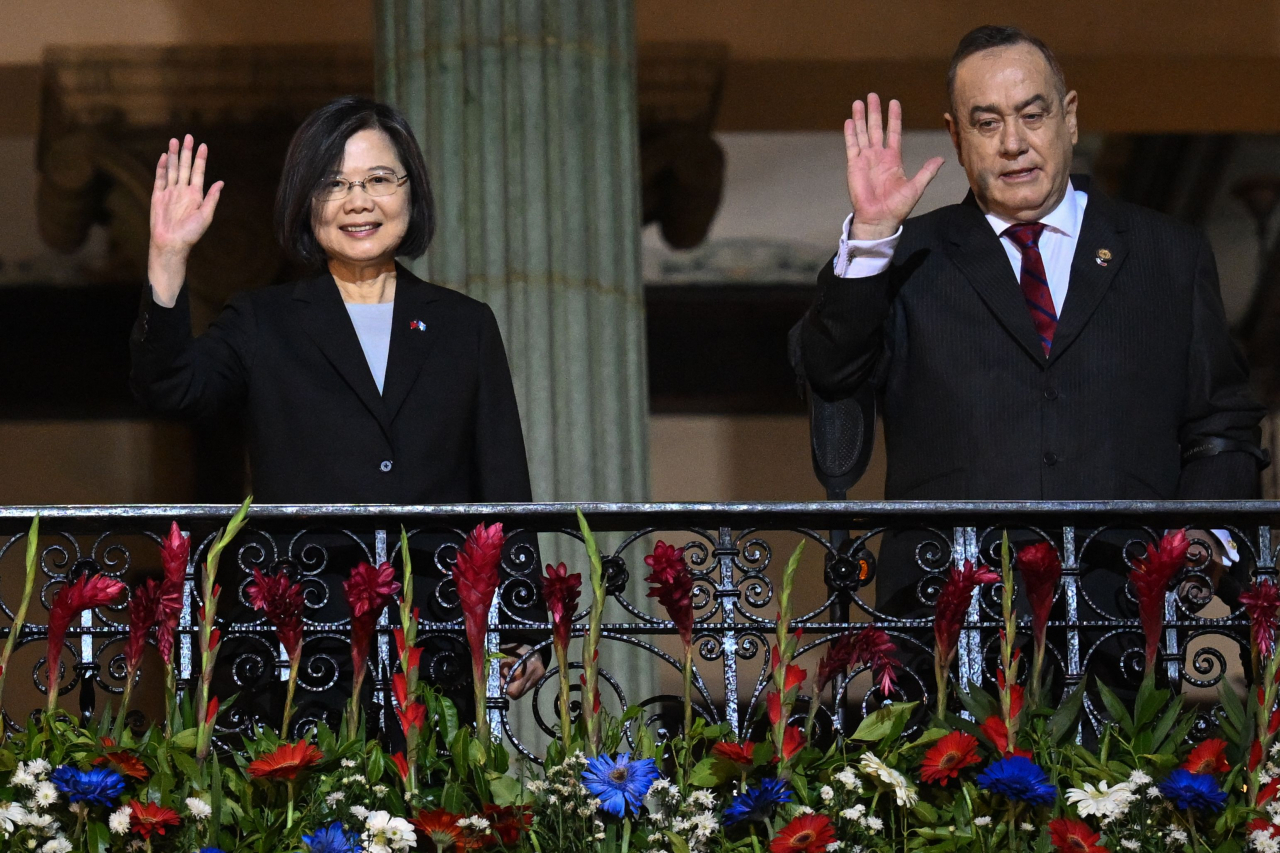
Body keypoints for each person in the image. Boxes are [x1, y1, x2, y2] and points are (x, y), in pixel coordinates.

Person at [800, 27, 1265, 633]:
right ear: (956, 137)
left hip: (1126, 622)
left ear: (1069, 118)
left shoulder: (1168, 254)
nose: (1013, 143)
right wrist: (870, 237)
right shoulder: (906, 257)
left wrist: (1201, 539)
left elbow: (1222, 424)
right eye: (987, 123)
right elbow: (830, 370)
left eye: (1032, 115)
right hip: (949, 623)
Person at [130, 96, 545, 728]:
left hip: (433, 638)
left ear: (411, 193)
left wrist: (520, 622)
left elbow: (503, 479)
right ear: (306, 201)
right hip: (303, 642)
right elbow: (172, 389)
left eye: (379, 179)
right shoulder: (262, 321)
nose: (358, 201)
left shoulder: (465, 325)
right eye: (334, 183)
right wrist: (168, 255)